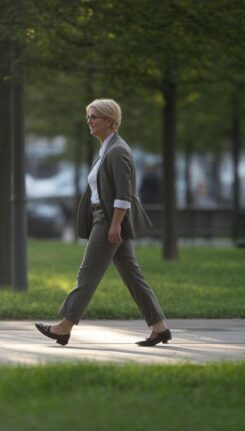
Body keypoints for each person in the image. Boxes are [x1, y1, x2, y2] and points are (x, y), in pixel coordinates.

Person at [35, 99, 170, 346]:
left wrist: (115, 224)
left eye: (93, 116)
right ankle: (159, 327)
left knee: (87, 275)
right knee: (133, 276)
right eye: (88, 116)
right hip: (105, 217)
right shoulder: (106, 149)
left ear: (109, 120)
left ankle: (64, 327)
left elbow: (123, 193)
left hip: (109, 220)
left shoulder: (117, 151)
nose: (89, 121)